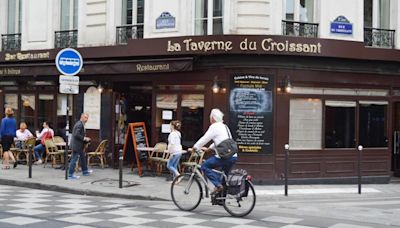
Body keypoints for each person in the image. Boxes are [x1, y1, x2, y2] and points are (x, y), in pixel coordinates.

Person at [191, 108, 238, 195]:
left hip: (224, 156)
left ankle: (217, 185)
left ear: (212, 118)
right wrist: (209, 148)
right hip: (233, 156)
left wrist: (195, 147)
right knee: (223, 177)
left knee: (205, 166)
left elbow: (204, 139)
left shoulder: (214, 126)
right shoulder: (225, 126)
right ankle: (221, 198)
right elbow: (223, 141)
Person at [68, 113, 92, 179]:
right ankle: (70, 174)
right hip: (76, 145)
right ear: (81, 117)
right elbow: (76, 134)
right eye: (85, 117)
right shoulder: (79, 124)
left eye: (87, 118)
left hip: (79, 145)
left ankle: (85, 171)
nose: (86, 119)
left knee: (82, 157)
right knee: (74, 159)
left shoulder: (81, 124)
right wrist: (84, 138)